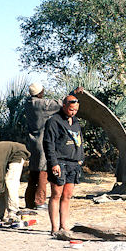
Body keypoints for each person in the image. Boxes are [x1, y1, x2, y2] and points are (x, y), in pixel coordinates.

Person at [43, 94, 84, 236]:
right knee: (56, 194)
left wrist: (80, 159)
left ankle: (64, 226)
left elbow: (80, 141)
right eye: (71, 109)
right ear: (64, 106)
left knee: (67, 195)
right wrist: (53, 163)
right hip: (59, 162)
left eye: (76, 110)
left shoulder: (76, 122)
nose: (74, 112)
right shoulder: (54, 121)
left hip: (73, 163)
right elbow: (48, 144)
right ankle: (54, 228)